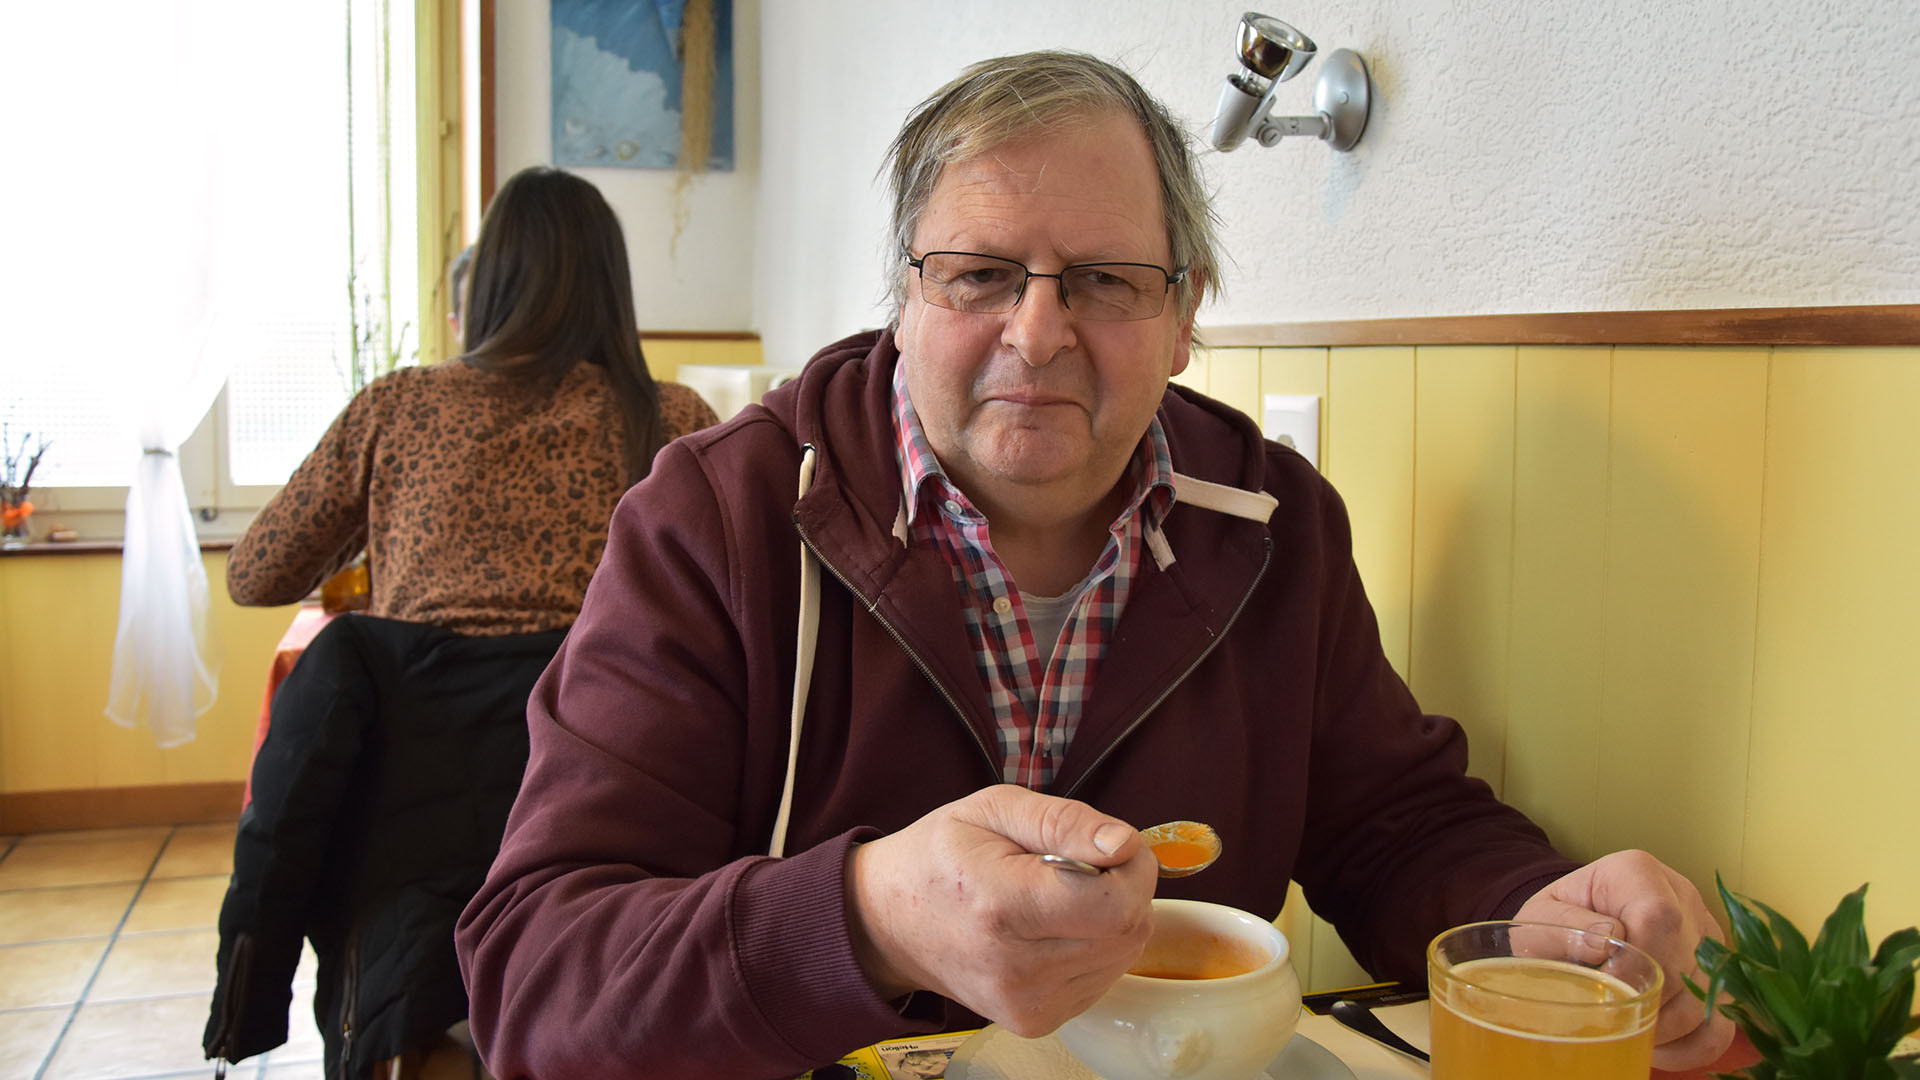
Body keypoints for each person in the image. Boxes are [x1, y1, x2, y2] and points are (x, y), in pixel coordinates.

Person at [455, 53, 1734, 1078]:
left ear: (1184, 317)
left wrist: (1545, 922)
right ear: (903, 302)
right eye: (979, 274)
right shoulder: (715, 517)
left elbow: (1395, 826)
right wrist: (869, 911)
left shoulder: (1271, 520)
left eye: (1109, 281)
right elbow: (538, 981)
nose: (1039, 331)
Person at [226, 166, 720, 632]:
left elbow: (255, 577)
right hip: (600, 716)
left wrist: (374, 511)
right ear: (613, 287)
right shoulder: (676, 418)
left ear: (486, 280)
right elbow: (744, 591)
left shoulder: (398, 408)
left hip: (422, 717)